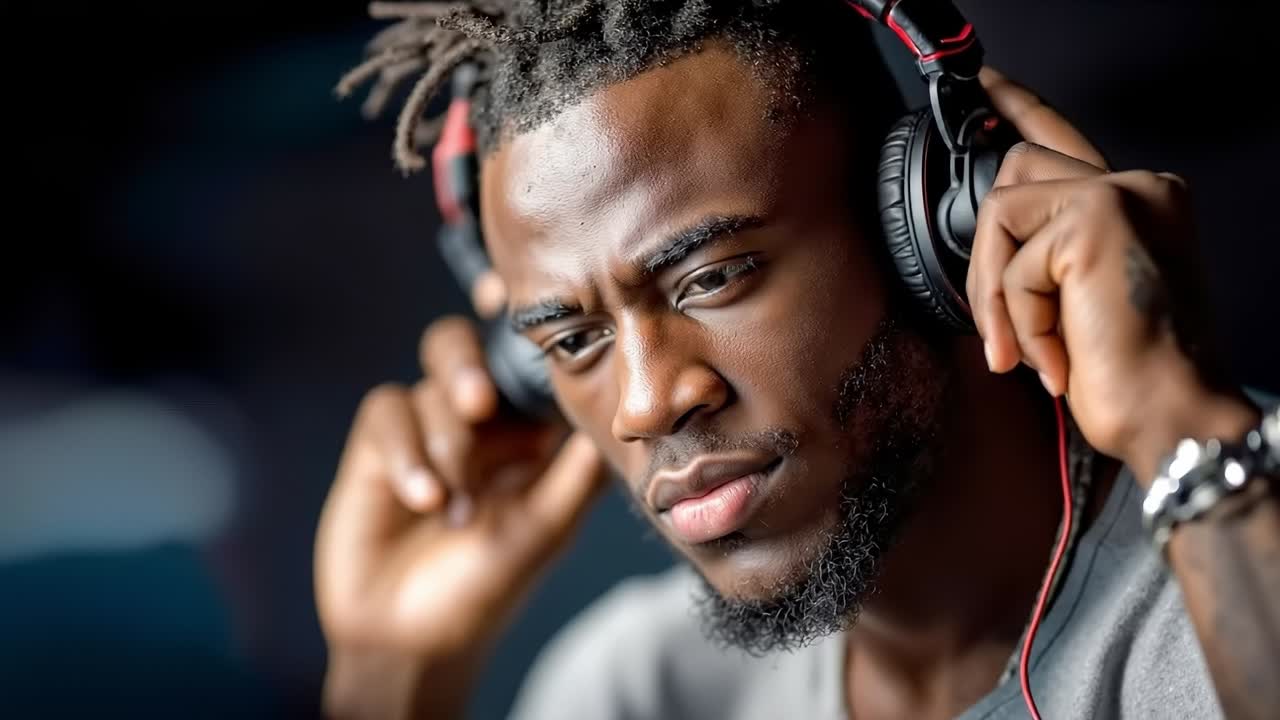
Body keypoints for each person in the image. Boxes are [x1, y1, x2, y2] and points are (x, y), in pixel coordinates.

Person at [315, 2, 1280, 718]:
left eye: (712, 277)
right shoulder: (633, 692)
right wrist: (389, 673)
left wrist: (1179, 427)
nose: (646, 404)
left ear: (934, 226)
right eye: (573, 341)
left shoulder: (1246, 546)